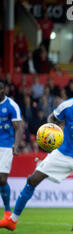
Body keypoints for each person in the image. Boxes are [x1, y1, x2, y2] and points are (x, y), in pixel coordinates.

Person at [0, 79, 73, 231]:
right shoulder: (68, 105)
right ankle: (13, 220)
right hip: (62, 152)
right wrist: (52, 130)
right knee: (32, 179)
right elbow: (52, 118)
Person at [0, 79, 23, 220]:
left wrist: (16, 145)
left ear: (5, 89)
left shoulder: (11, 106)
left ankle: (7, 210)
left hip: (6, 146)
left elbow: (18, 127)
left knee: (2, 179)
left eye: (1, 88)